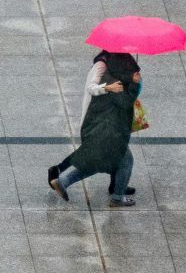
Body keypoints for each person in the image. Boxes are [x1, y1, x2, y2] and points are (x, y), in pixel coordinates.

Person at [49, 52, 141, 207]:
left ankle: (63, 181)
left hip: (103, 126)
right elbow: (124, 101)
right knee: (125, 160)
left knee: (97, 162)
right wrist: (133, 83)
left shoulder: (112, 72)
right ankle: (117, 197)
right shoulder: (110, 78)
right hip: (105, 129)